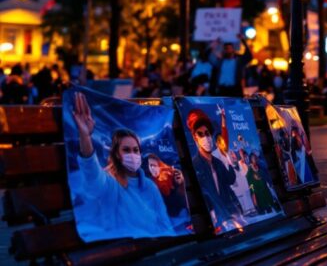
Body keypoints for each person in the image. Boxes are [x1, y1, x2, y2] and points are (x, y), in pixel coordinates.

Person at [71, 92, 175, 239]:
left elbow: (165, 225)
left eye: (136, 150)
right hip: (123, 250)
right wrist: (85, 136)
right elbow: (91, 173)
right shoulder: (109, 182)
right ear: (117, 154)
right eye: (126, 150)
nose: (132, 154)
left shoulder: (149, 187)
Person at [185, 108, 241, 231]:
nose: (206, 137)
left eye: (208, 133)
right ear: (195, 137)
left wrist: (231, 163)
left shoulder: (218, 162)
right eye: (201, 134)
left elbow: (230, 179)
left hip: (231, 216)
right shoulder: (195, 165)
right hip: (215, 222)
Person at [146, 154, 190, 228]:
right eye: (150, 165)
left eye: (155, 165)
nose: (152, 168)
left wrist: (180, 183)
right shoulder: (148, 183)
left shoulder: (171, 178)